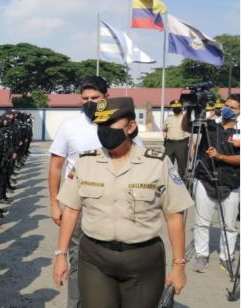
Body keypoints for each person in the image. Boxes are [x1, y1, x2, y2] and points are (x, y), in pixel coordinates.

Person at [53, 97, 193, 308]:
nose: (104, 130)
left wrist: (178, 265)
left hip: (143, 261)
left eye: (110, 124)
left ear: (131, 126)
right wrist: (61, 255)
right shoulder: (86, 162)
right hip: (95, 259)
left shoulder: (157, 163)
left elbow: (174, 216)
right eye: (100, 125)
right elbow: (71, 210)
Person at [47, 75, 109, 308]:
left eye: (95, 97)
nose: (90, 102)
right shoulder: (70, 127)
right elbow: (55, 167)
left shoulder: (119, 124)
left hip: (113, 206)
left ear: (106, 97)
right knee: (76, 261)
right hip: (79, 206)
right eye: (85, 98)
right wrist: (54, 204)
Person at [187, 94, 240, 273]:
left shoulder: (239, 131)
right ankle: (202, 256)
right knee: (202, 222)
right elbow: (187, 127)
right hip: (205, 179)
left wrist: (221, 157)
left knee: (230, 225)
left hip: (231, 183)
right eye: (227, 105)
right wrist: (193, 109)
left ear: (239, 111)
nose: (228, 109)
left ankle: (227, 257)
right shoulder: (210, 125)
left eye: (233, 107)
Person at [163, 99, 190, 179]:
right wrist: (165, 140)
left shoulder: (185, 118)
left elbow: (189, 132)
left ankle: (181, 184)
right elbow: (164, 130)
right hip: (169, 144)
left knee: (182, 166)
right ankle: (169, 182)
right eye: (174, 107)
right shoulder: (169, 118)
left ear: (181, 107)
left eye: (177, 107)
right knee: (167, 165)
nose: (176, 109)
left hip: (181, 144)